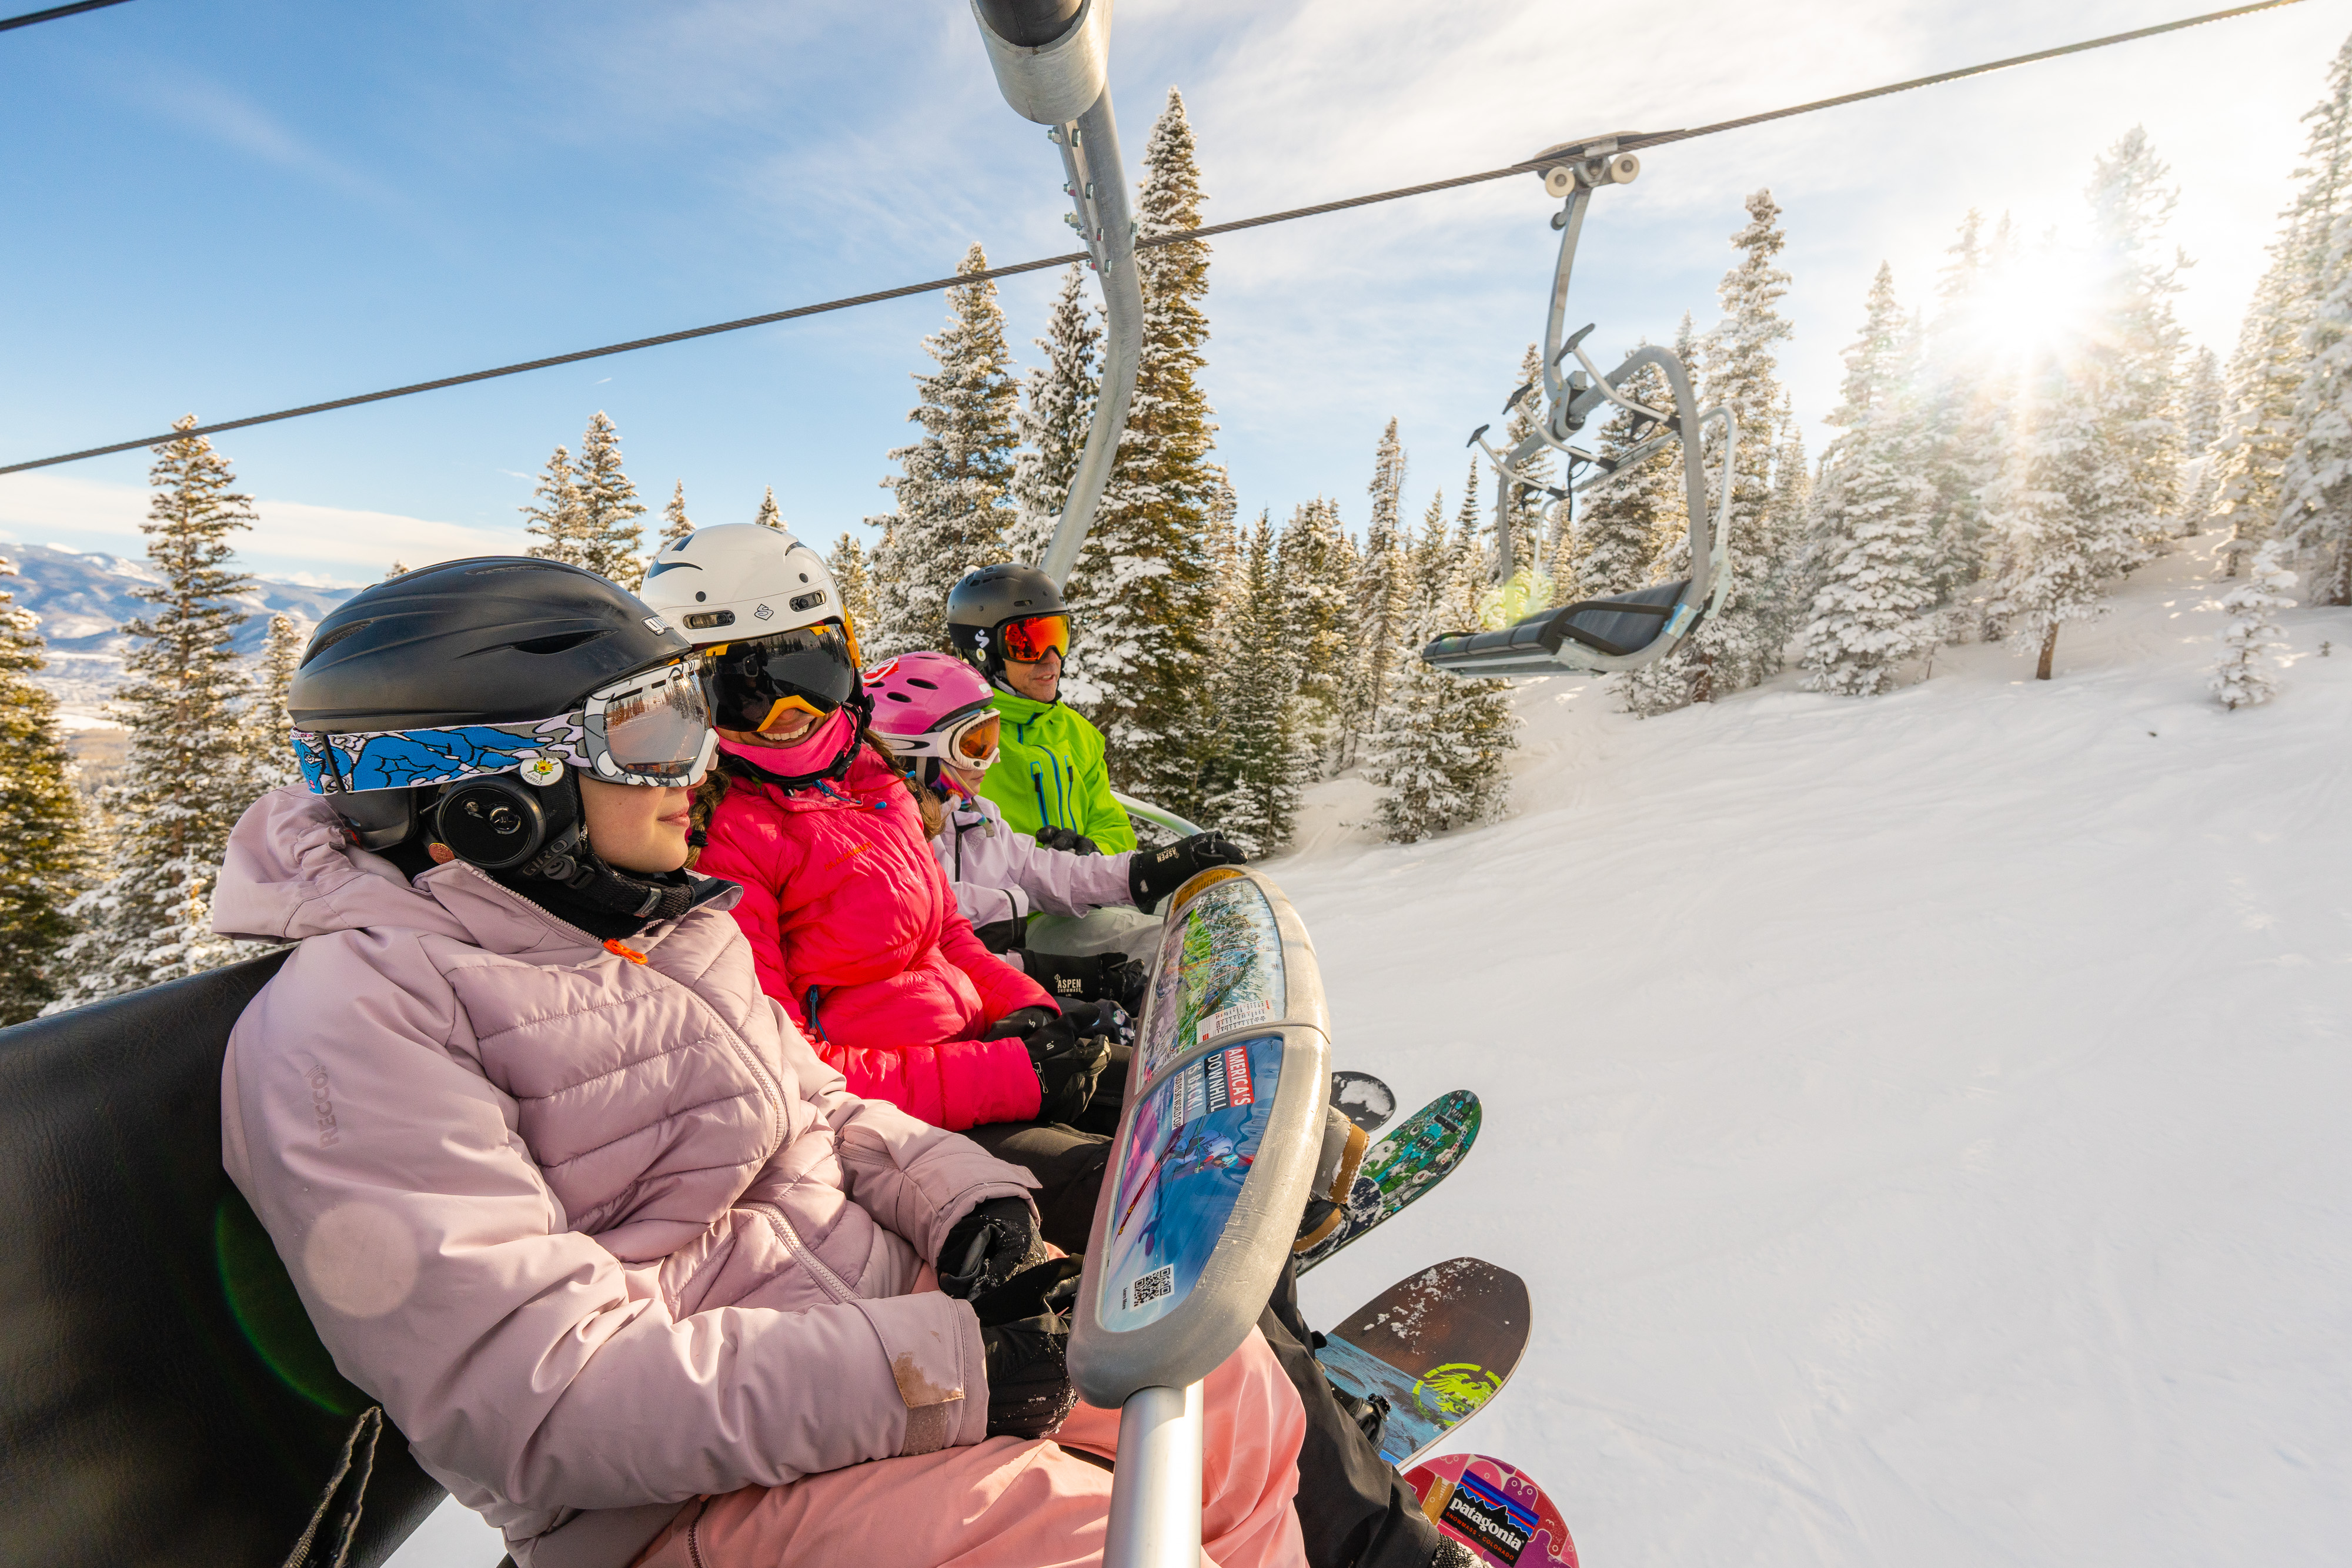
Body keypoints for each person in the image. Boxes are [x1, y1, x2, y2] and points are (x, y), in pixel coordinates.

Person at [211, 556, 1317, 1568]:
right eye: (647, 736)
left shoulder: (657, 921)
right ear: (494, 801)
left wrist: (966, 1206)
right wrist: (952, 1360)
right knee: (1069, 1543)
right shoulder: (352, 1027)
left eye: (689, 718)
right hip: (682, 1492)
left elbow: (822, 1106)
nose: (695, 769)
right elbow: (542, 1406)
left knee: (1229, 1395)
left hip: (875, 1321)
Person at [639, 524, 1113, 1134]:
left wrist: (1030, 1010)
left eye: (813, 674)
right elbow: (788, 1068)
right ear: (688, 696)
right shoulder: (717, 835)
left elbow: (948, 934)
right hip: (883, 1124)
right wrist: (1010, 1078)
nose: (791, 714)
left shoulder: (869, 774)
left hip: (963, 1053)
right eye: (743, 692)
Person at [864, 649, 1247, 1014]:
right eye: (975, 744)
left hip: (1005, 986)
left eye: (992, 736)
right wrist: (1061, 975)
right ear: (910, 752)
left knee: (1167, 954)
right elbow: (934, 963)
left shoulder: (974, 816)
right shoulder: (885, 849)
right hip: (966, 1009)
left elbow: (1042, 871)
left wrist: (1147, 870)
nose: (992, 757)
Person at [946, 562, 1138, 853]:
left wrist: (1096, 851)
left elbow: (1113, 825)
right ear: (984, 653)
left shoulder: (1078, 732)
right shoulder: (956, 739)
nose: (1052, 660)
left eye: (1057, 637)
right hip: (1002, 896)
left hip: (1085, 893)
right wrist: (1040, 872)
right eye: (1027, 644)